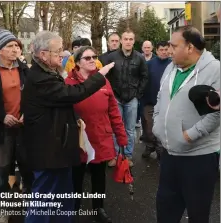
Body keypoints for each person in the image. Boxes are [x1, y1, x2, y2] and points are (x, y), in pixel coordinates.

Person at [23, 31, 115, 223]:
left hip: (60, 149)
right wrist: (100, 76)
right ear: (43, 54)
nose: (62, 54)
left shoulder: (49, 72)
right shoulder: (40, 78)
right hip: (48, 152)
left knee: (64, 197)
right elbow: (71, 94)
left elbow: (60, 104)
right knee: (44, 200)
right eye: (57, 51)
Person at [153, 26, 220, 223]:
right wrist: (157, 125)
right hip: (169, 155)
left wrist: (189, 136)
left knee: (198, 215)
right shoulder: (170, 67)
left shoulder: (215, 69)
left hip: (199, 158)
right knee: (165, 212)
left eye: (174, 46)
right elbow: (160, 98)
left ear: (190, 47)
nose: (169, 49)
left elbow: (216, 114)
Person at [65, 46, 128, 223]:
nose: (92, 60)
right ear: (77, 62)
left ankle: (98, 208)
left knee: (99, 177)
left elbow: (114, 111)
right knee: (76, 176)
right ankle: (74, 207)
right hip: (79, 139)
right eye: (87, 58)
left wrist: (121, 136)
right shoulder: (69, 83)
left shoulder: (103, 81)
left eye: (94, 56)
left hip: (101, 137)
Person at [0, 29, 33, 222]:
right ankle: (4, 208)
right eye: (9, 46)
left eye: (16, 46)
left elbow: (33, 96)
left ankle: (29, 203)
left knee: (27, 166)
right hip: (2, 130)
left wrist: (28, 113)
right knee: (1, 171)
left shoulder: (25, 70)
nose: (15, 49)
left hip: (24, 127)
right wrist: (1, 116)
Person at [106, 29, 148, 167]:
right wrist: (110, 94)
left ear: (134, 41)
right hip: (116, 98)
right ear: (121, 41)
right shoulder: (112, 57)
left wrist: (138, 94)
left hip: (132, 99)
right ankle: (116, 155)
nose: (128, 41)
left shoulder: (139, 58)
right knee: (115, 128)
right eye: (126, 39)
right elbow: (106, 77)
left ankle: (128, 156)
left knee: (130, 129)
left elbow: (144, 77)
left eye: (131, 39)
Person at [142, 41, 171, 160]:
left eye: (166, 50)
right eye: (161, 50)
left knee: (162, 128)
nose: (164, 52)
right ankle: (149, 145)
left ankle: (160, 150)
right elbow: (143, 81)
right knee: (149, 128)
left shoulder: (173, 64)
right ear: (157, 51)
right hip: (150, 102)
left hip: (166, 103)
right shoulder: (149, 64)